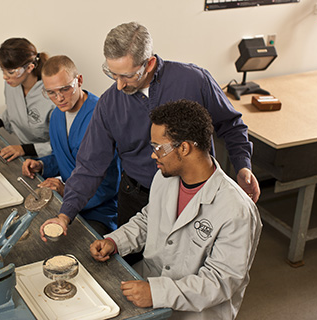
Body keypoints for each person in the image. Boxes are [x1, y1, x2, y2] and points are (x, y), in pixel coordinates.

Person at [47, 22, 260, 247]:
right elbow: (90, 166)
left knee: (191, 265)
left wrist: (243, 165)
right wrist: (65, 214)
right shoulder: (109, 104)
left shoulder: (194, 80)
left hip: (196, 196)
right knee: (131, 265)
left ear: (149, 63)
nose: (119, 86)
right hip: (137, 198)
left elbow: (231, 124)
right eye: (112, 74)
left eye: (127, 76)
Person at [90, 99, 262, 319]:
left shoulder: (235, 209)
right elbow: (147, 219)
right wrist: (115, 241)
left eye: (158, 148)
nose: (153, 155)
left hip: (196, 312)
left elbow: (220, 282)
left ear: (184, 147)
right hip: (150, 288)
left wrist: (157, 293)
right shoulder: (165, 178)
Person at [21, 55, 120, 236]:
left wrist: (67, 190)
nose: (59, 98)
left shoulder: (100, 116)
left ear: (79, 80)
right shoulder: (57, 116)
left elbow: (110, 180)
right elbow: (67, 159)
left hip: (99, 210)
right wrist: (42, 165)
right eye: (51, 92)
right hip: (67, 202)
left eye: (65, 89)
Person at [0, 38, 55, 161]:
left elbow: (64, 144)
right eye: (2, 70)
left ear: (29, 68)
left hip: (51, 159)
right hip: (25, 156)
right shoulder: (12, 85)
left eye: (10, 72)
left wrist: (23, 149)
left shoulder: (53, 96)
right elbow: (15, 110)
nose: (5, 76)